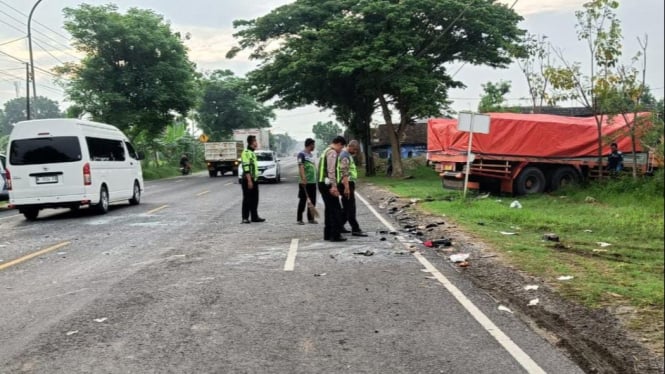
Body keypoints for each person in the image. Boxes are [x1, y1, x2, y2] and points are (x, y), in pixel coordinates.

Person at [318, 136, 347, 242]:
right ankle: (335, 235)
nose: (341, 150)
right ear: (339, 144)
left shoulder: (325, 150)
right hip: (328, 184)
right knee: (336, 210)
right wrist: (334, 186)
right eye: (342, 147)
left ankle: (328, 234)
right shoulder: (332, 152)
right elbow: (331, 170)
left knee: (329, 209)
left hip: (323, 183)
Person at [338, 140, 367, 237]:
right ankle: (355, 229)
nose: (355, 152)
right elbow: (344, 172)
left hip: (348, 183)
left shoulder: (346, 155)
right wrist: (346, 187)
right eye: (354, 149)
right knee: (351, 208)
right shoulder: (345, 156)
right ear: (350, 146)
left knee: (347, 208)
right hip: (346, 183)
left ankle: (338, 226)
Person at [240, 135, 265, 224]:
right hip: (247, 179)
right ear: (251, 142)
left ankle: (254, 216)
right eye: (255, 141)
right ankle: (245, 217)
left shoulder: (253, 153)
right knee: (247, 199)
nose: (256, 143)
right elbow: (246, 167)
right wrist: (249, 180)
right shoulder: (246, 152)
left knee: (255, 199)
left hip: (254, 179)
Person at [297, 138, 318, 225]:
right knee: (303, 200)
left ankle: (311, 218)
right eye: (313, 145)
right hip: (304, 182)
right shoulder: (301, 154)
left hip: (312, 182)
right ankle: (299, 219)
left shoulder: (311, 155)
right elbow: (301, 166)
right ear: (310, 145)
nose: (314, 146)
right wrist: (303, 178)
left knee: (312, 201)